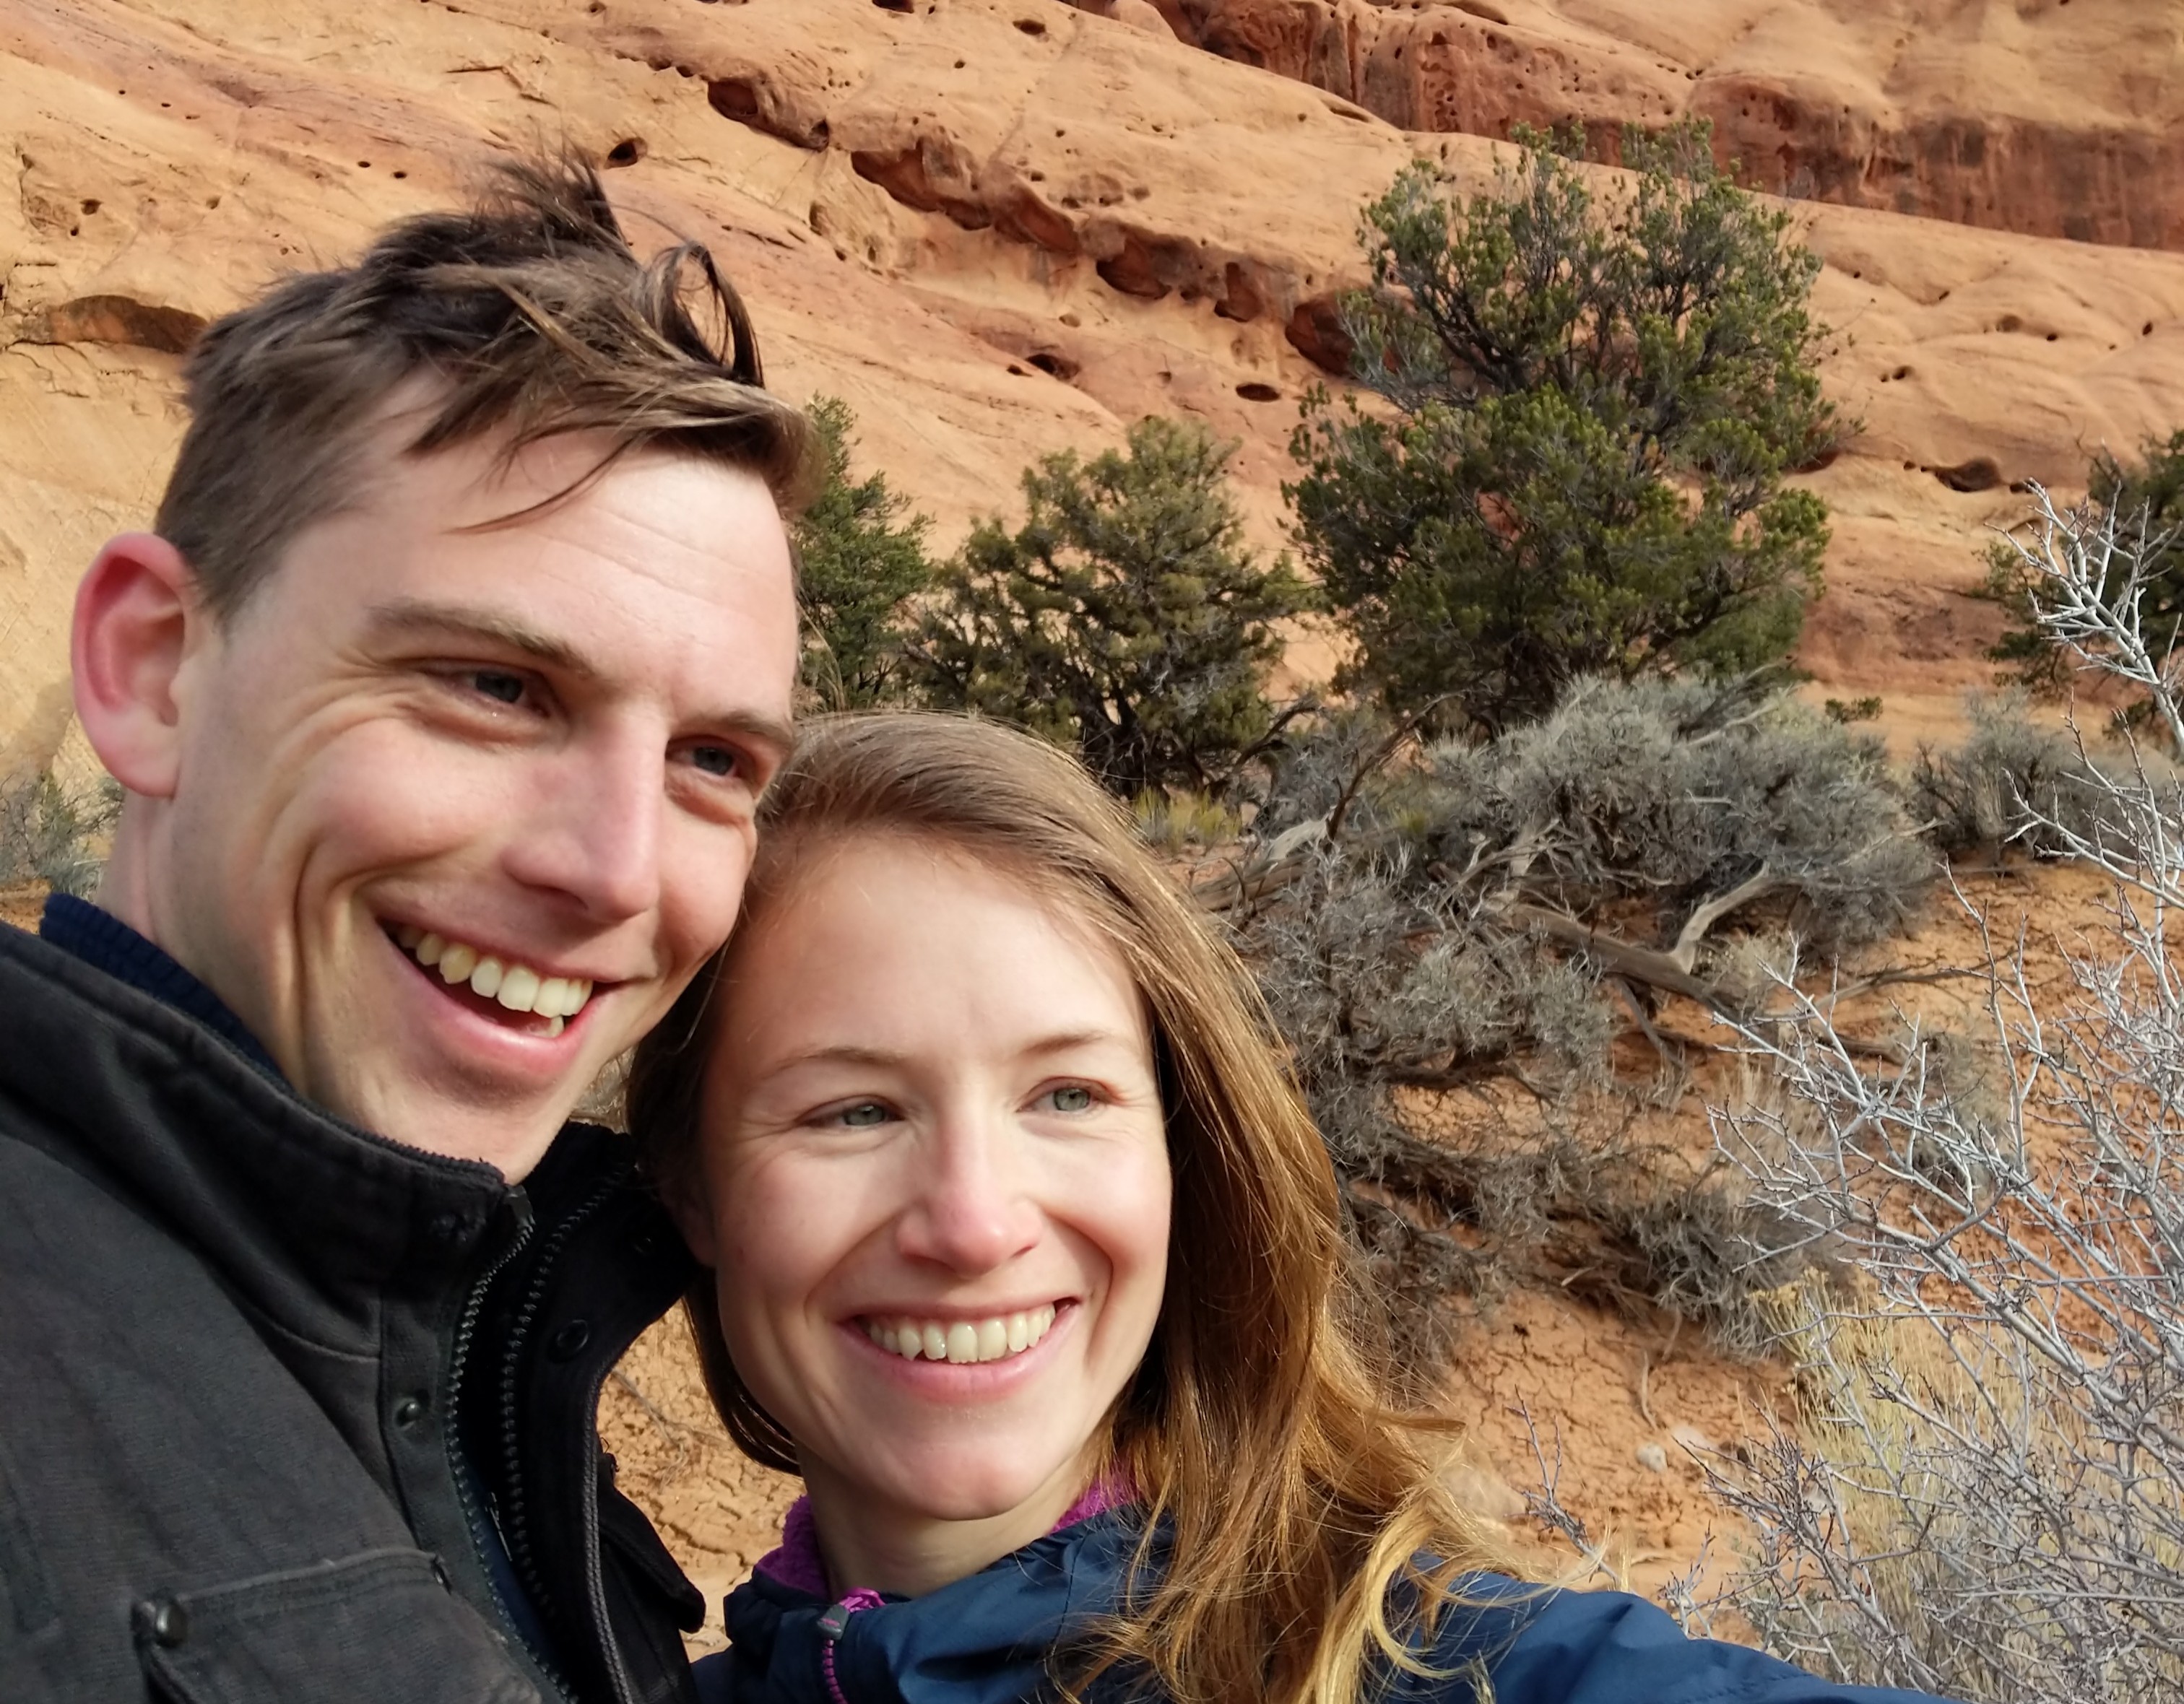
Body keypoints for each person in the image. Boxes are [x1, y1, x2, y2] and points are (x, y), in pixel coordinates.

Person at [626, 713, 1952, 1704]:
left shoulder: (1448, 1665)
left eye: (1069, 1096)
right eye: (853, 1112)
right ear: (689, 1182)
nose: (974, 1224)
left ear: (1182, 1150)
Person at [0, 157, 808, 1703]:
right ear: (153, 669)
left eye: (712, 760)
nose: (617, 872)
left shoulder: (492, 1370)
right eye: (496, 687)